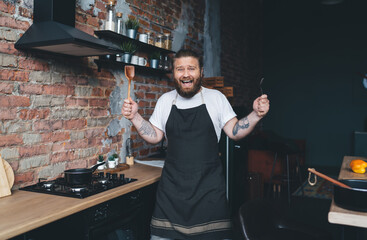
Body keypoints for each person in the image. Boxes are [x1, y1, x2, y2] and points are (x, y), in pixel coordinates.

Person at [122, 49, 270, 240]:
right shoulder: (166, 101)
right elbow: (155, 136)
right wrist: (134, 116)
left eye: (191, 68)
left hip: (209, 193)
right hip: (171, 195)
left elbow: (235, 131)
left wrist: (256, 115)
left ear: (201, 72)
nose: (185, 74)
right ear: (174, 73)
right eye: (180, 69)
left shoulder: (216, 98)